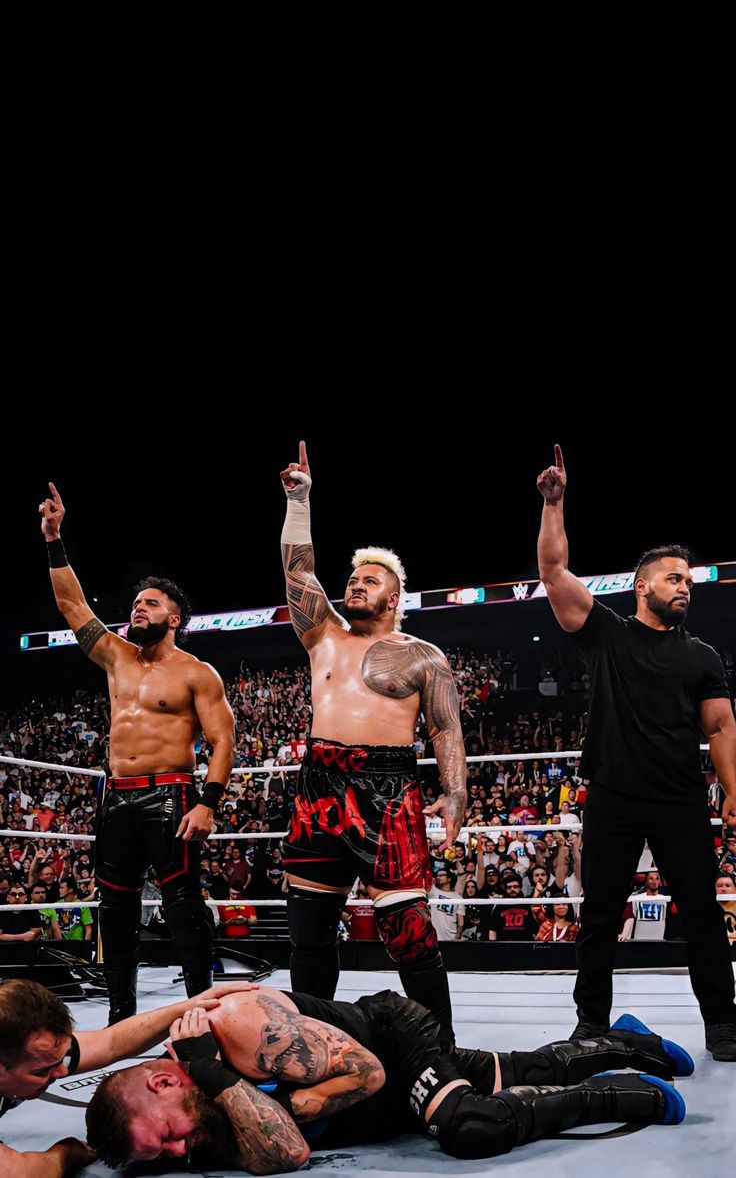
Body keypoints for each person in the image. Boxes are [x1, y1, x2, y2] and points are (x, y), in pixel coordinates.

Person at [536, 444, 736, 1059]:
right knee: (599, 915)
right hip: (615, 794)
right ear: (642, 584)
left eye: (690, 581)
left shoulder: (701, 657)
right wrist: (554, 503)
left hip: (677, 795)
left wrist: (734, 790)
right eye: (675, 577)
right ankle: (591, 1022)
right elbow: (553, 572)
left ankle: (722, 1023)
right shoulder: (608, 634)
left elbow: (722, 726)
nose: (686, 588)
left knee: (702, 912)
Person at [85, 985, 691, 1170]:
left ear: (165, 1083)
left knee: (469, 1123)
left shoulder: (240, 1031)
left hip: (386, 1047)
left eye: (166, 1137)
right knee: (513, 1071)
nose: (178, 1151)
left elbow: (365, 1076)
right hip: (370, 1102)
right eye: (161, 1158)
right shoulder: (187, 1130)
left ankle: (620, 1095)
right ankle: (624, 1040)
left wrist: (218, 1075)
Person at [279, 442, 466, 1037]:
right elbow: (298, 571)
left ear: (395, 595)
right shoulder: (323, 637)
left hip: (387, 789)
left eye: (370, 580)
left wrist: (455, 792)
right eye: (353, 577)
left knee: (408, 931)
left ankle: (443, 1048)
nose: (355, 585)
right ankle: (312, 1041)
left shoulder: (423, 656)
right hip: (319, 782)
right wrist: (300, 500)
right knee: (310, 931)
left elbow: (444, 727)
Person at [39, 481, 235, 1022]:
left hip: (171, 795)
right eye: (136, 602)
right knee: (115, 907)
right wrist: (55, 539)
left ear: (174, 617)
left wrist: (208, 803)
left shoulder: (197, 673)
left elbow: (224, 741)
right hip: (117, 797)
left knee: (183, 906)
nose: (138, 607)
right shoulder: (116, 656)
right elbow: (70, 601)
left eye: (151, 602)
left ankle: (203, 1007)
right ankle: (120, 1014)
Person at [0, 977, 253, 1175]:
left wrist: (189, 1006)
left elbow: (110, 1043)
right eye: (42, 1070)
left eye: (62, 1058)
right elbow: (20, 1174)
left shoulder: (30, 1046)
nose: (63, 1072)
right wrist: (67, 1152)